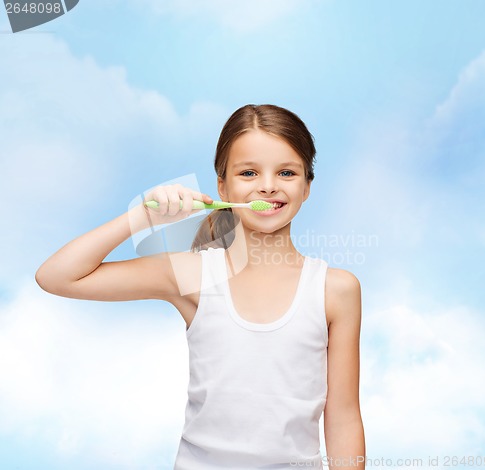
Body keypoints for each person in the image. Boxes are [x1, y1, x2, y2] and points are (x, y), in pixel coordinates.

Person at [36, 104, 365, 469]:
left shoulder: (335, 289)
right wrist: (142, 217)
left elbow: (344, 416)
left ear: (307, 186)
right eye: (249, 172)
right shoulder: (191, 275)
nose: (268, 185)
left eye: (287, 172)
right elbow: (57, 276)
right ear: (222, 186)